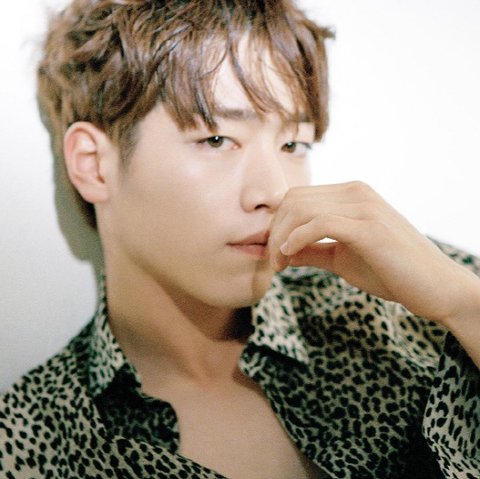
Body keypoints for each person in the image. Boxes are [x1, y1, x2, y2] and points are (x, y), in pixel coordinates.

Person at [1, 0, 479, 477]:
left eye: (293, 144)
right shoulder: (35, 440)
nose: (275, 191)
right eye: (216, 140)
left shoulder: (408, 306)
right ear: (93, 164)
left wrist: (464, 306)